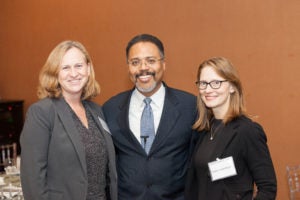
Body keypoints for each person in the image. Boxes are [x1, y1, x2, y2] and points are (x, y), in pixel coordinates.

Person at [102, 34, 198, 200]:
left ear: (163, 64)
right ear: (128, 67)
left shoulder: (190, 106)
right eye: (135, 62)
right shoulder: (110, 108)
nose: (143, 68)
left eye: (151, 60)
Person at [20, 40, 117, 200]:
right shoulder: (42, 113)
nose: (73, 74)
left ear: (88, 68)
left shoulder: (97, 111)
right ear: (55, 73)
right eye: (65, 67)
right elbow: (33, 180)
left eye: (78, 66)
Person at [185, 57, 277, 199]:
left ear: (232, 87)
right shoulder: (203, 131)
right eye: (203, 83)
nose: (208, 89)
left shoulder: (248, 131)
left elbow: (268, 188)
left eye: (216, 83)